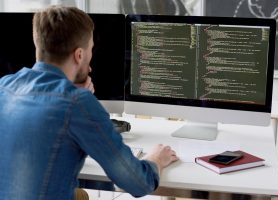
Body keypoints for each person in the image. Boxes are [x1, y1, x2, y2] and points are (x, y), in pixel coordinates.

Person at [0, 5, 178, 200]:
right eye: (91, 49)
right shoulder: (77, 103)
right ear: (79, 55)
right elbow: (138, 183)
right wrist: (155, 160)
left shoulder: (4, 85)